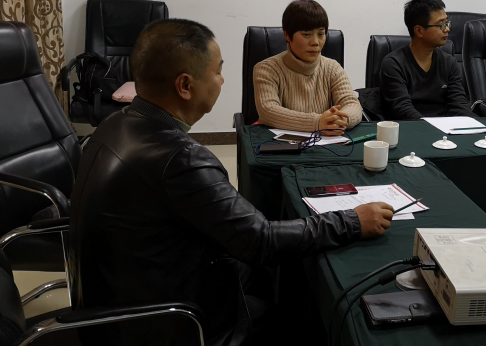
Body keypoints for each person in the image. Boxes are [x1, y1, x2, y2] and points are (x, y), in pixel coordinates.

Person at [70, 19, 393, 346]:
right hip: (166, 321)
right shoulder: (180, 159)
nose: (222, 80)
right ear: (185, 85)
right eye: (218, 71)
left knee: (273, 273)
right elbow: (261, 241)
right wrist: (352, 221)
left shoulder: (115, 123)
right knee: (301, 312)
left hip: (120, 297)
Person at [254, 0, 361, 136]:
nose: (315, 42)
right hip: (280, 143)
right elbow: (268, 110)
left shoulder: (332, 68)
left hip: (324, 141)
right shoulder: (267, 69)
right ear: (287, 35)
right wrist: (317, 122)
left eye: (321, 34)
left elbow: (352, 103)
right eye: (307, 34)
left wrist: (342, 119)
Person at [380, 0, 472, 120]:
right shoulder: (394, 64)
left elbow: (459, 105)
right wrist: (431, 127)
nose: (447, 29)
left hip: (446, 128)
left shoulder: (449, 62)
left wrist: (473, 124)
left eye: (447, 23)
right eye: (441, 24)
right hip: (411, 127)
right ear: (419, 31)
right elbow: (402, 109)